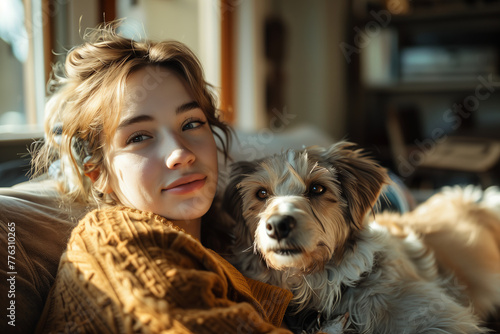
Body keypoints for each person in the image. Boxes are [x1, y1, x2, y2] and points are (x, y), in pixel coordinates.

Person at [33, 21, 293, 333]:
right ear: (97, 171)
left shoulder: (233, 239)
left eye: (190, 124)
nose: (181, 153)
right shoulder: (114, 239)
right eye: (139, 136)